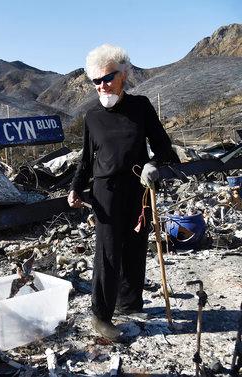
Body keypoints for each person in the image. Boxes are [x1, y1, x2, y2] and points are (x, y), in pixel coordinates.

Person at [67, 44, 179, 341]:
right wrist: (76, 187)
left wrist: (153, 165)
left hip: (139, 188)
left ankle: (129, 303)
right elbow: (86, 159)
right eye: (96, 81)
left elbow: (165, 149)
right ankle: (100, 315)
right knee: (108, 253)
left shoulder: (140, 107)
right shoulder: (92, 116)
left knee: (135, 245)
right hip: (105, 192)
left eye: (107, 78)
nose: (102, 86)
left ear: (124, 75)